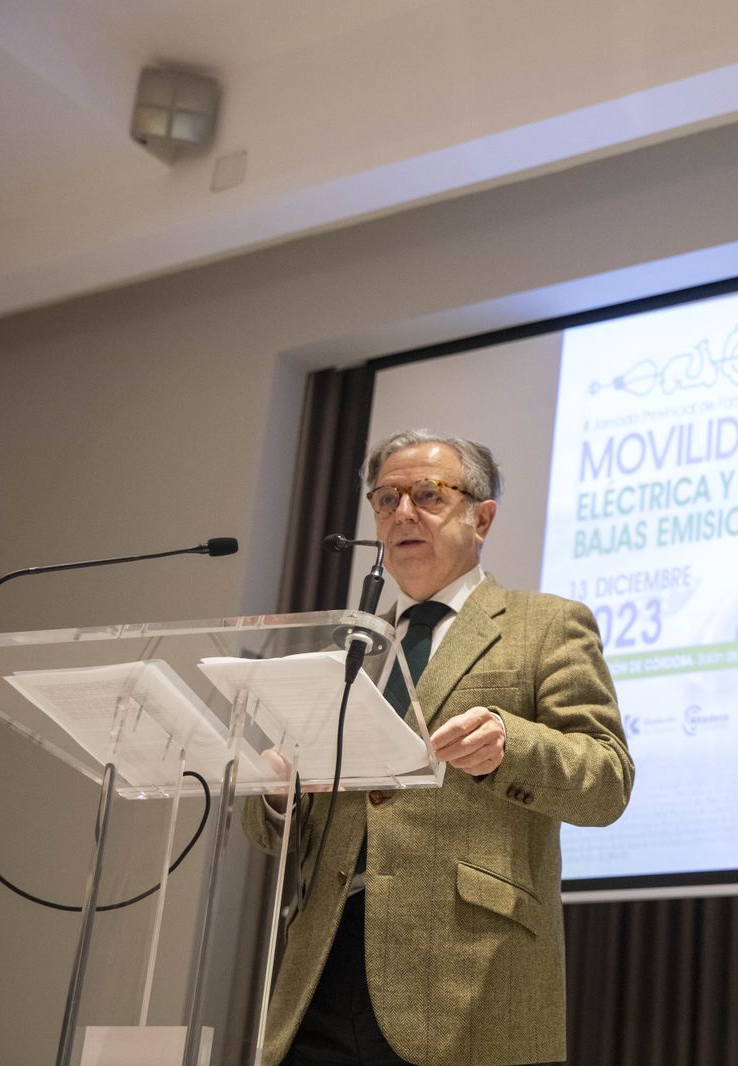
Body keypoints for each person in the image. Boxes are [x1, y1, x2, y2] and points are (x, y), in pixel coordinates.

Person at [243, 429, 634, 1066]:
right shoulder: (349, 652)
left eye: (428, 494)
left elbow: (607, 780)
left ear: (481, 517)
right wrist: (279, 795)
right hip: (321, 967)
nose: (403, 513)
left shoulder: (547, 625)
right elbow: (278, 833)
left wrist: (513, 745)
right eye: (386, 498)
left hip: (470, 974)